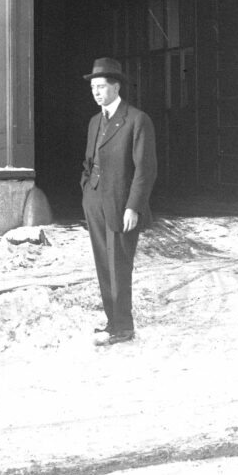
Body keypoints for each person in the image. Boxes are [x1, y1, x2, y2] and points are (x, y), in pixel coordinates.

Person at [79, 56, 157, 346]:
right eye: (93, 88)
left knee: (119, 266)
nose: (96, 93)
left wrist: (133, 207)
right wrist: (87, 190)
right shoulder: (94, 122)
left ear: (116, 87)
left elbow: (145, 169)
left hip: (122, 207)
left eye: (101, 87)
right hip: (96, 202)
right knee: (104, 264)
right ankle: (113, 323)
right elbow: (89, 161)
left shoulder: (136, 120)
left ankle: (124, 327)